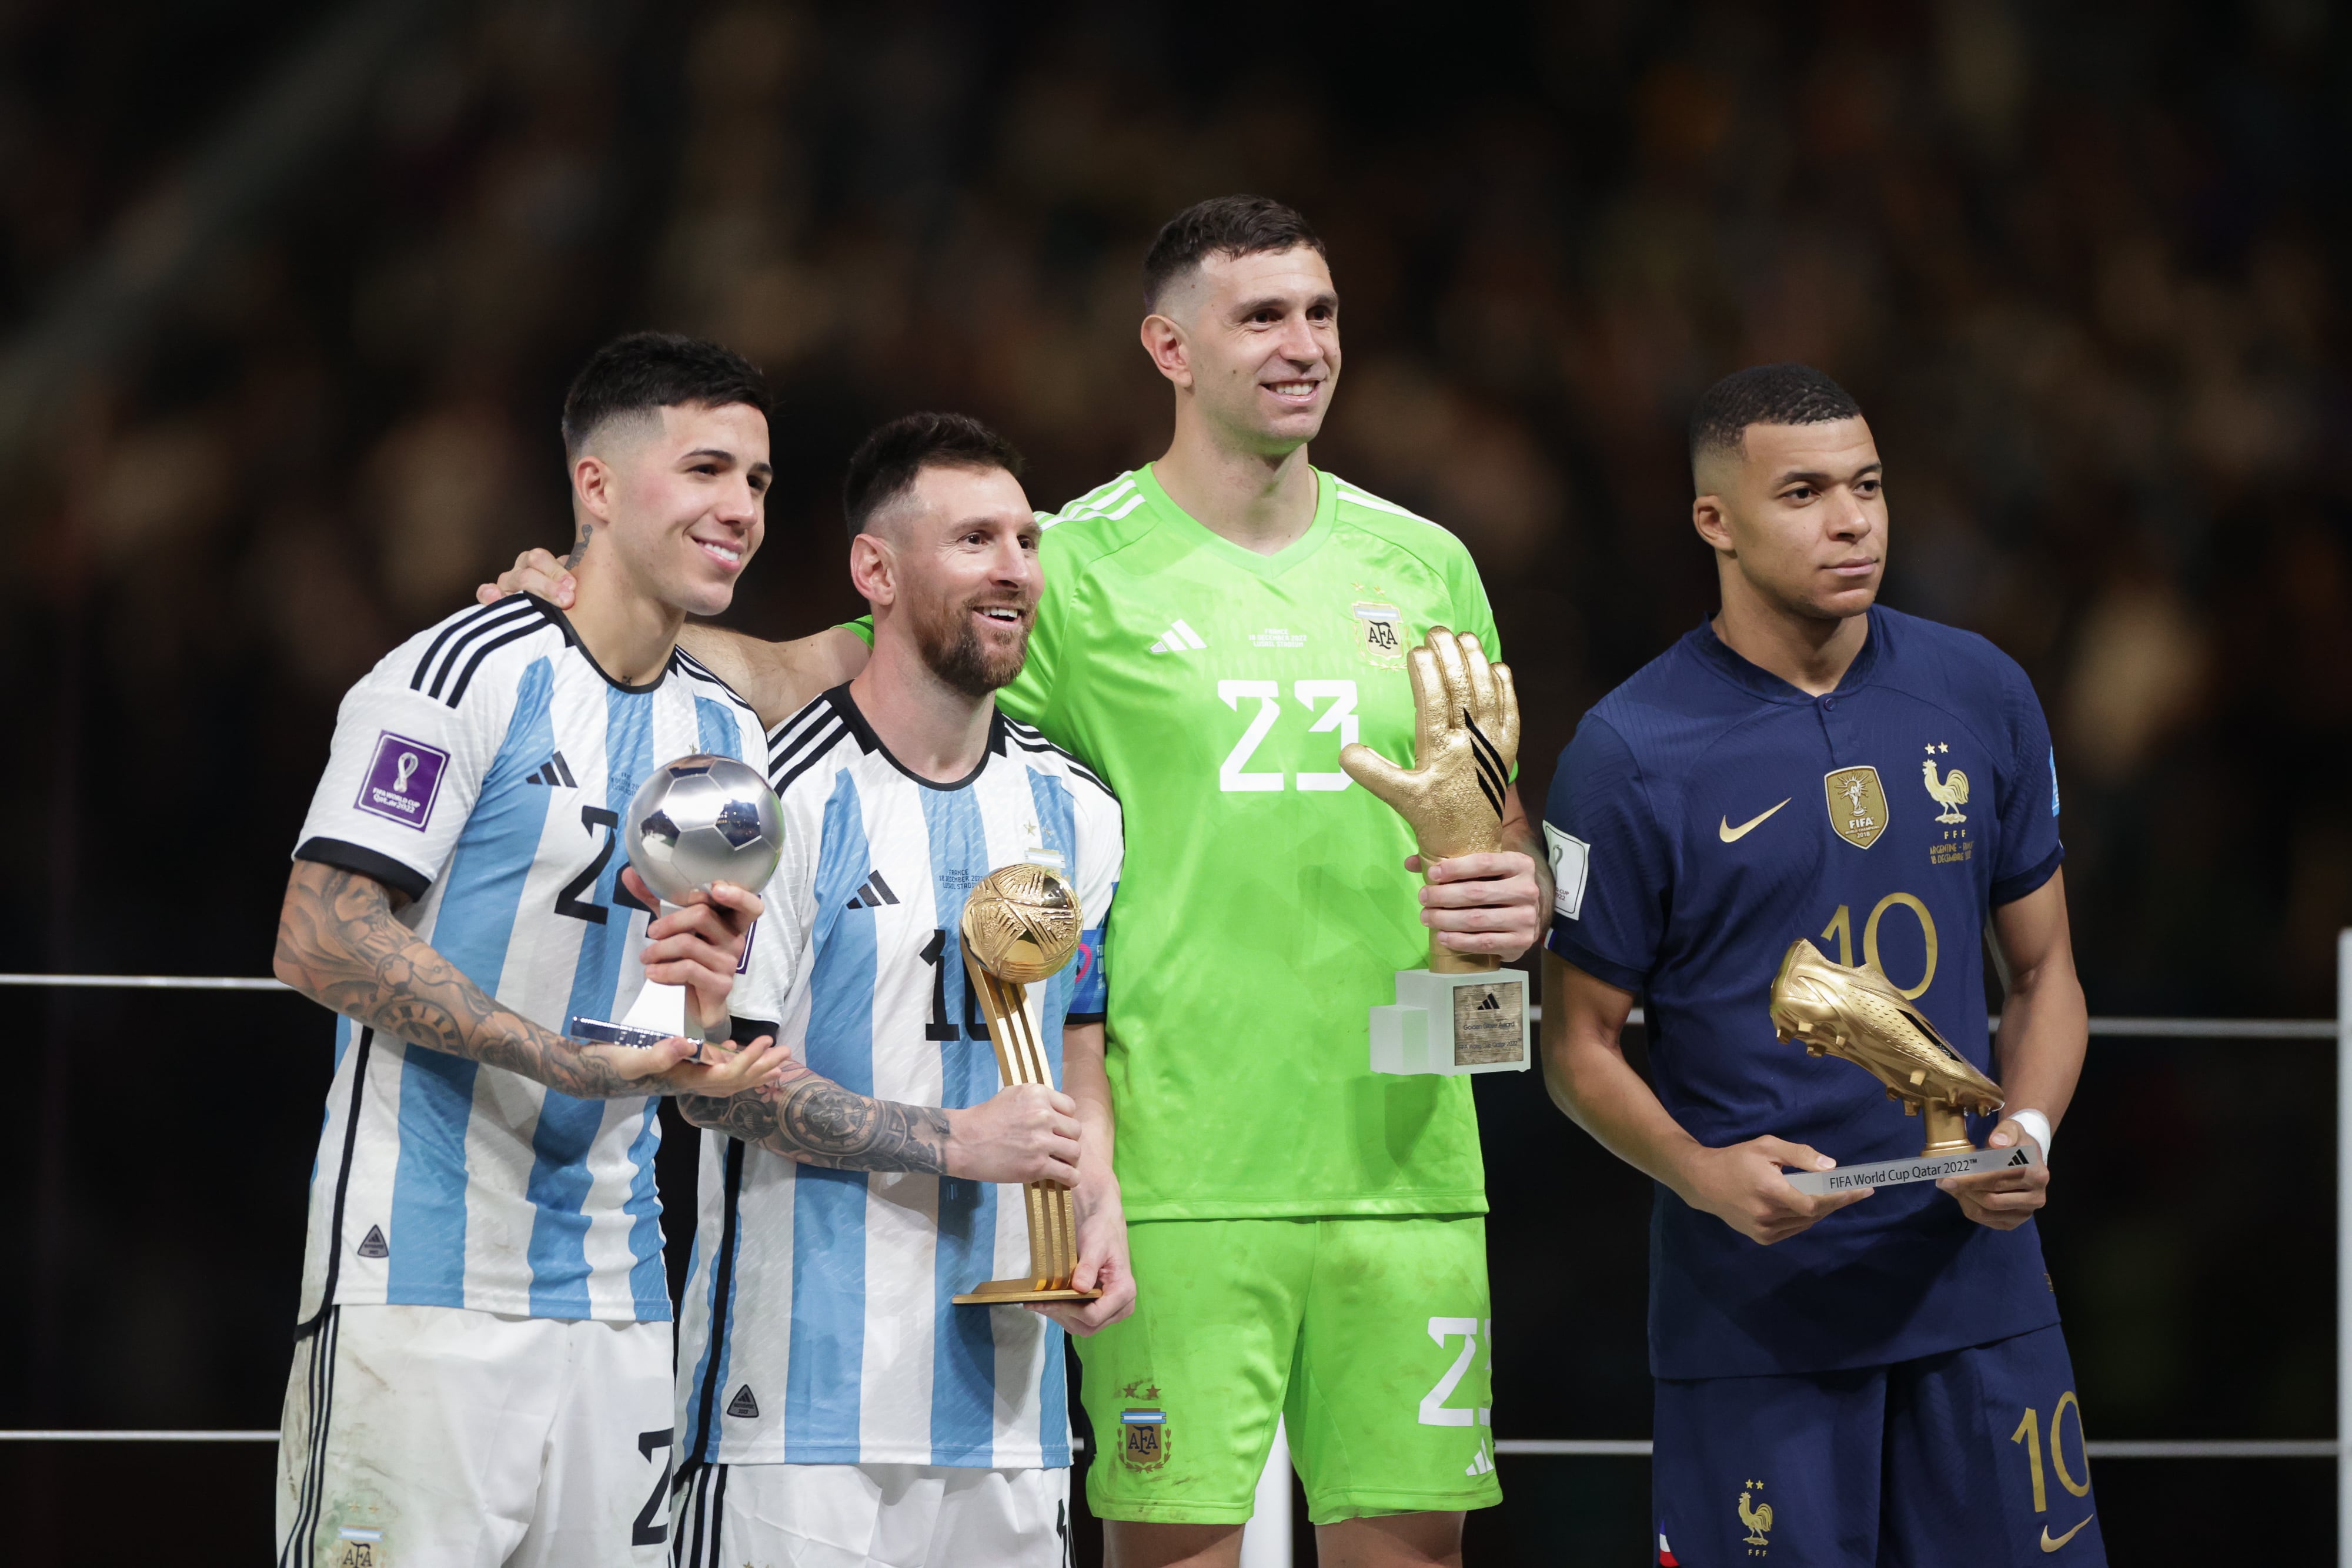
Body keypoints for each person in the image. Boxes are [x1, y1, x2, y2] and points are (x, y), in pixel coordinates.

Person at [485, 196, 1545, 1567]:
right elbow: (837, 666)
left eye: (1322, 313)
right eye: (1263, 316)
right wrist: (594, 606)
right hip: (1174, 1163)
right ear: (1166, 345)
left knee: (1415, 1551)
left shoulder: (1425, 563)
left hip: (1407, 1154)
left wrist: (1514, 893)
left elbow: (1494, 822)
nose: (1303, 345)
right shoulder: (1074, 562)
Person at [1539, 363, 2103, 1566]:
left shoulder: (1980, 691)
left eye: (1866, 485)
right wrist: (1698, 1174)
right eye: (1801, 492)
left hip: (1978, 1293)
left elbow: (2045, 975)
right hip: (1754, 1317)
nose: (1850, 519)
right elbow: (1574, 1047)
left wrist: (2032, 1130)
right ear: (1713, 521)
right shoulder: (1627, 751)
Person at [270, 332, 794, 1568]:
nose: (740, 509)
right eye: (707, 468)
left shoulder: (726, 736)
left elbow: (696, 1014)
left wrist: (710, 1042)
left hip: (618, 1292)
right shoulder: (465, 669)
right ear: (597, 488)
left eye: (760, 482)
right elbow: (319, 931)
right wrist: (557, 1057)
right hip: (418, 1282)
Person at [663, 412, 1129, 1566]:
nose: (1014, 565)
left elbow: (1076, 1030)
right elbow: (709, 1083)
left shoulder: (1079, 808)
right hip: (794, 1411)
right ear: (875, 569)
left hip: (1009, 1407)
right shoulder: (766, 798)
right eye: (973, 538)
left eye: (1024, 538)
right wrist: (951, 1140)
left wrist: (1095, 1200)